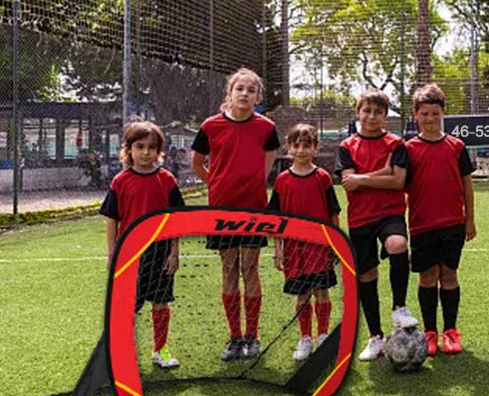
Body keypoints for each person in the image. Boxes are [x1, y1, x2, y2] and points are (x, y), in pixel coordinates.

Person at [191, 68, 280, 362]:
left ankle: (252, 336)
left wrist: (254, 184)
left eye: (250, 90)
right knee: (229, 269)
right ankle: (234, 337)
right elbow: (198, 163)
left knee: (250, 269)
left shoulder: (266, 128)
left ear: (258, 97)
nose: (244, 94)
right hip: (221, 211)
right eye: (239, 88)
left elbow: (269, 160)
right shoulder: (210, 126)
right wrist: (216, 184)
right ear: (229, 93)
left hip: (254, 209)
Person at [338, 89, 417, 362]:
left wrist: (363, 179)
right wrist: (381, 173)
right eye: (366, 111)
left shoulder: (396, 144)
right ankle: (375, 338)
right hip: (360, 218)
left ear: (385, 116)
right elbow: (348, 182)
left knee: (398, 245)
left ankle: (399, 307)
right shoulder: (347, 146)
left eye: (378, 112)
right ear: (358, 112)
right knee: (367, 275)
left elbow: (398, 182)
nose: (371, 116)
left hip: (390, 213)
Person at [100, 120, 184, 370]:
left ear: (159, 151)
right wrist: (112, 253)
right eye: (140, 146)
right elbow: (112, 220)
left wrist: (174, 252)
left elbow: (176, 220)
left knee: (160, 301)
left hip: (160, 251)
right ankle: (121, 353)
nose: (145, 152)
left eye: (151, 147)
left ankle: (160, 350)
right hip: (130, 252)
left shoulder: (167, 180)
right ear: (128, 149)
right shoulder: (120, 181)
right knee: (127, 306)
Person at [405, 84, 476, 355]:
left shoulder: (456, 147)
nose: (430, 119)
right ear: (416, 115)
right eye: (425, 114)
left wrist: (469, 220)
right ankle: (430, 332)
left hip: (452, 224)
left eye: (435, 113)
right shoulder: (409, 148)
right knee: (428, 276)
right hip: (422, 224)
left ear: (443, 113)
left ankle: (450, 331)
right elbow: (400, 182)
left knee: (449, 274)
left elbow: (467, 186)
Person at [269, 123, 341, 361]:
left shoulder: (323, 178)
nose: (301, 150)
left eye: (307, 145)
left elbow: (333, 213)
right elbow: (276, 220)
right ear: (288, 148)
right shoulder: (281, 181)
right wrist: (278, 249)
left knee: (322, 291)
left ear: (315, 148)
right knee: (302, 295)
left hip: (319, 246)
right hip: (294, 248)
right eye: (296, 145)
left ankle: (322, 335)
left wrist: (335, 243)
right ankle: (305, 338)